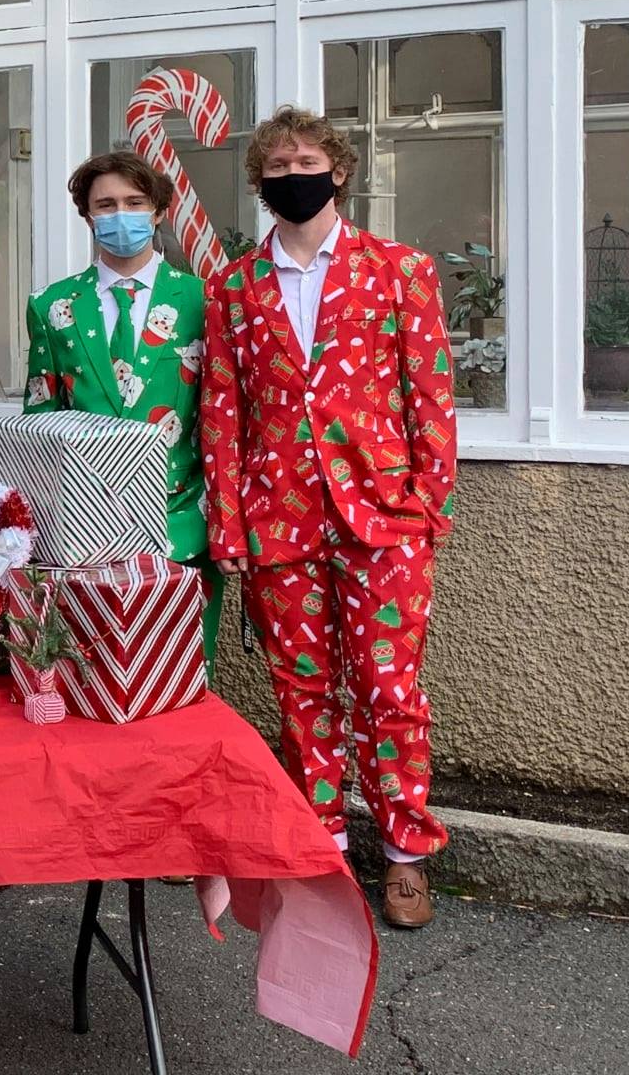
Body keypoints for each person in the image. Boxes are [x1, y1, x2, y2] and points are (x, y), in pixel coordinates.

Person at [201, 106, 457, 931]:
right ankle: (320, 846)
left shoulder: (399, 269)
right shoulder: (234, 287)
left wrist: (426, 509)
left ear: (338, 170)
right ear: (260, 183)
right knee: (301, 692)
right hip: (279, 521)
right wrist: (231, 526)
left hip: (383, 516)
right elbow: (224, 412)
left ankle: (408, 855)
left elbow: (432, 398)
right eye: (275, 168)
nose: (291, 176)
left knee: (389, 688)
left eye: (305, 161)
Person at [23, 150, 223, 673]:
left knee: (180, 682)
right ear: (87, 216)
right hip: (83, 535)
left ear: (158, 211)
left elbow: (224, 418)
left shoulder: (203, 300)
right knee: (93, 681)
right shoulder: (51, 305)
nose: (120, 216)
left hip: (179, 523)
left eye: (134, 202)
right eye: (105, 205)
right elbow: (41, 418)